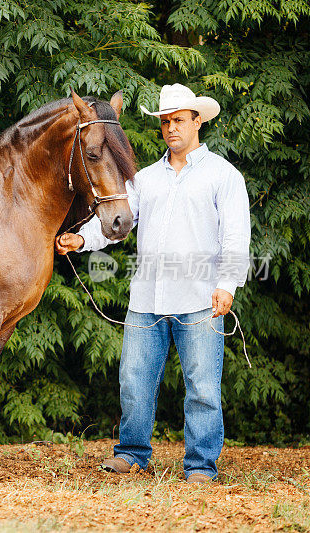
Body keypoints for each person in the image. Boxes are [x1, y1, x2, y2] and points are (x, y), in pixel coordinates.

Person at [56, 83, 251, 483]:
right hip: (147, 297)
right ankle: (131, 453)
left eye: (178, 120)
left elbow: (236, 236)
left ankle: (200, 465)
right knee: (134, 379)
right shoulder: (144, 179)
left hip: (200, 297)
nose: (171, 128)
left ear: (198, 121)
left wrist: (227, 284)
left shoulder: (223, 176)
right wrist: (81, 240)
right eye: (165, 122)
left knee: (201, 387)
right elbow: (117, 223)